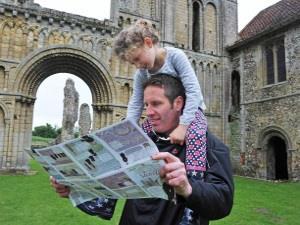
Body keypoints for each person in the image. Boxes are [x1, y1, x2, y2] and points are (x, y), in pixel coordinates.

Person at [51, 74, 234, 225]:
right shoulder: (138, 140)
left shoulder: (209, 146)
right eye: (146, 105)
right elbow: (111, 187)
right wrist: (74, 189)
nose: (149, 112)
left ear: (178, 104)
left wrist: (187, 187)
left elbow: (223, 202)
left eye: (156, 104)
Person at [113, 19, 208, 177]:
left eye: (137, 59)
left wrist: (183, 126)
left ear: (148, 43)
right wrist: (129, 129)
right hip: (164, 115)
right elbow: (136, 103)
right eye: (133, 63)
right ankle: (132, 177)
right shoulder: (141, 74)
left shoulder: (175, 56)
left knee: (196, 133)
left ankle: (194, 178)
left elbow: (193, 91)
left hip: (190, 111)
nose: (137, 65)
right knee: (137, 137)